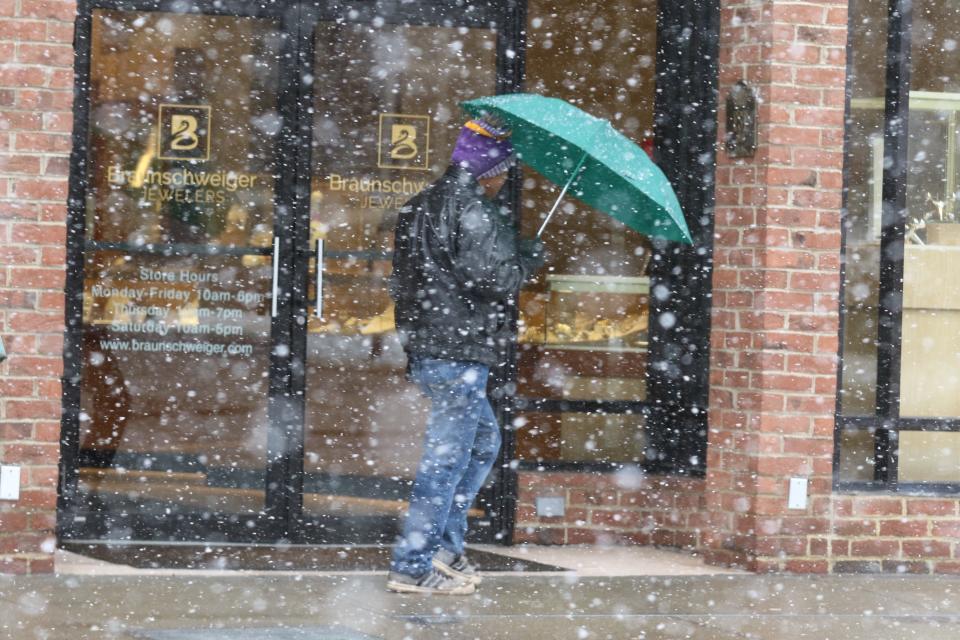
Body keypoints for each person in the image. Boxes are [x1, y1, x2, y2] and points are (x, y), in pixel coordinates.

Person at [386, 117, 544, 595]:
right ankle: (413, 565)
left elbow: (409, 280)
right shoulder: (471, 209)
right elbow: (491, 280)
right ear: (487, 169)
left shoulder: (421, 205)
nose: (503, 179)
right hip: (458, 351)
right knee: (446, 460)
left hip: (434, 347)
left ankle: (445, 548)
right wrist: (524, 261)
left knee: (479, 446)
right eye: (502, 169)